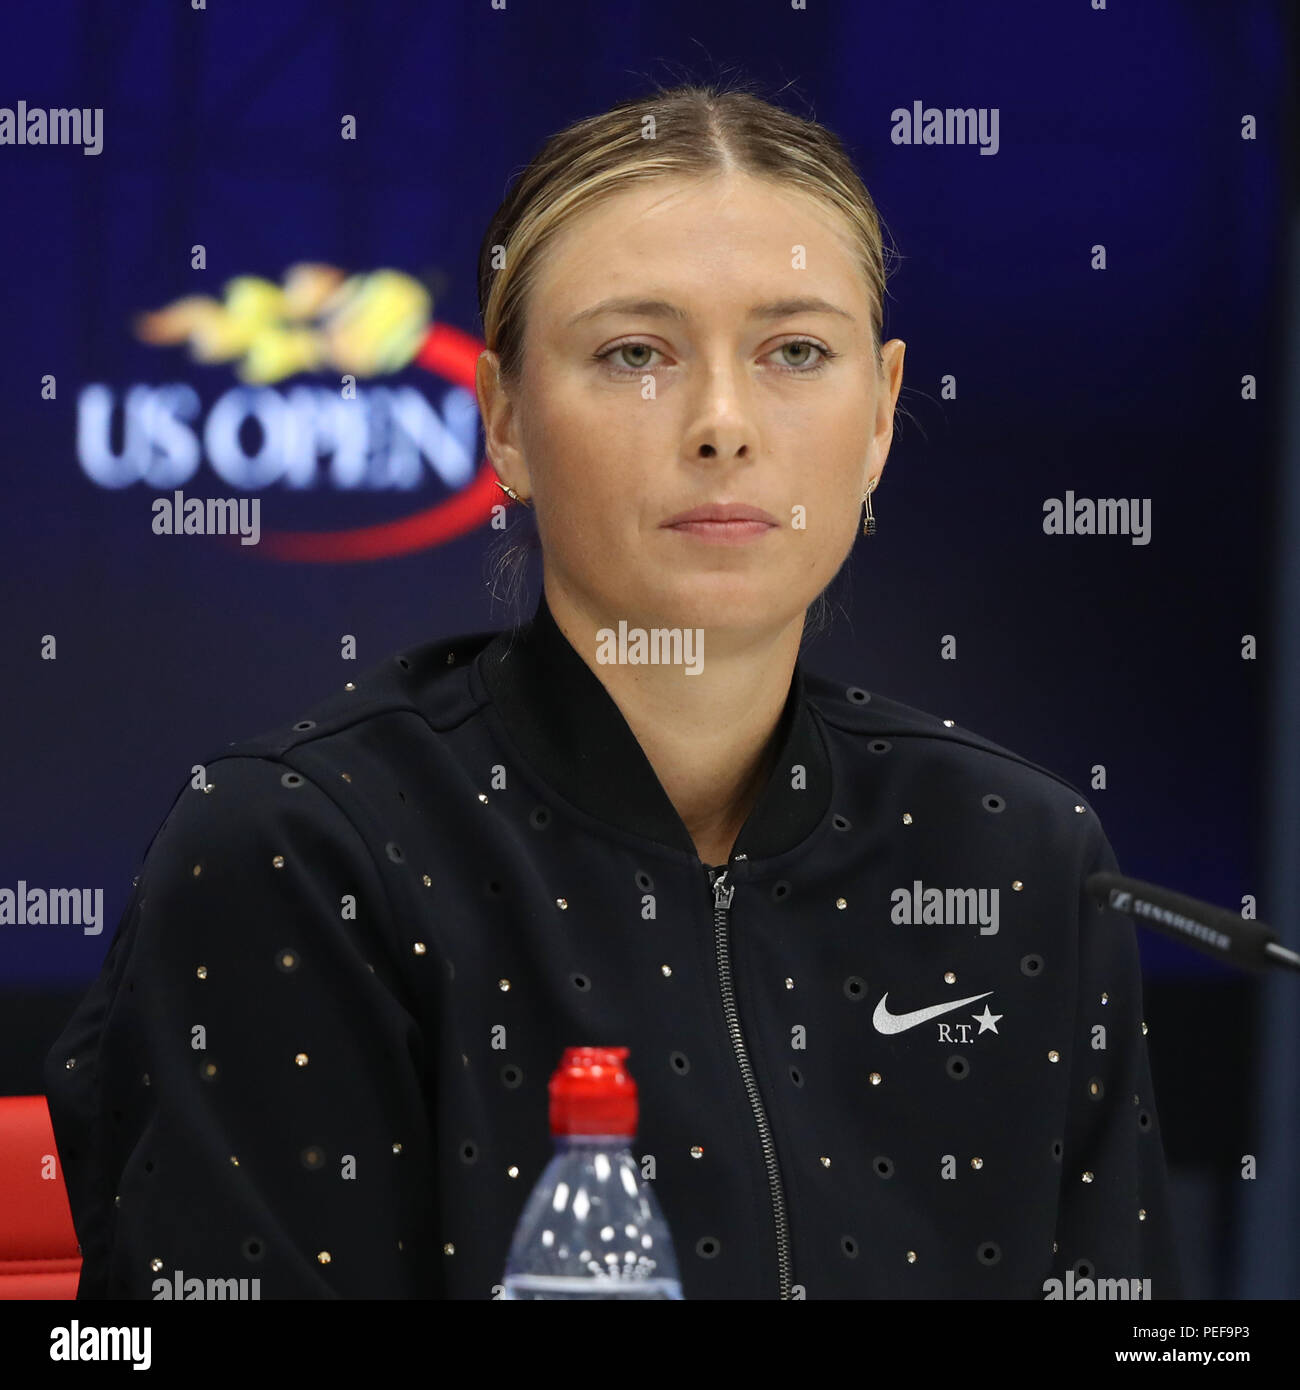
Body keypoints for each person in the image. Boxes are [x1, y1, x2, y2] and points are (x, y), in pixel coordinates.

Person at [44, 79, 1183, 1300]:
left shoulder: (1025, 855)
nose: (722, 423)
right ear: (505, 421)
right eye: (634, 353)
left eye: (795, 350)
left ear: (882, 416)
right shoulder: (302, 850)